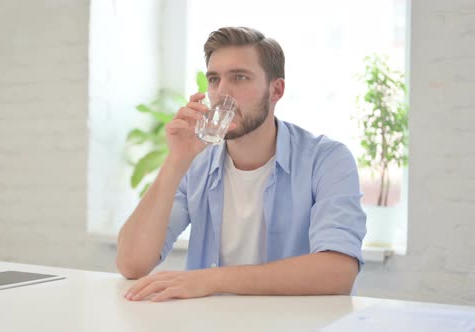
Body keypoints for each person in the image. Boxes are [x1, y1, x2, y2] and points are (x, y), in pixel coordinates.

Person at [116, 26, 366, 302]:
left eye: (240, 77)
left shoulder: (327, 160)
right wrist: (176, 160)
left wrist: (212, 279)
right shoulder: (196, 163)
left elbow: (338, 272)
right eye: (214, 79)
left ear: (276, 90)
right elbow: (132, 264)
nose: (222, 92)